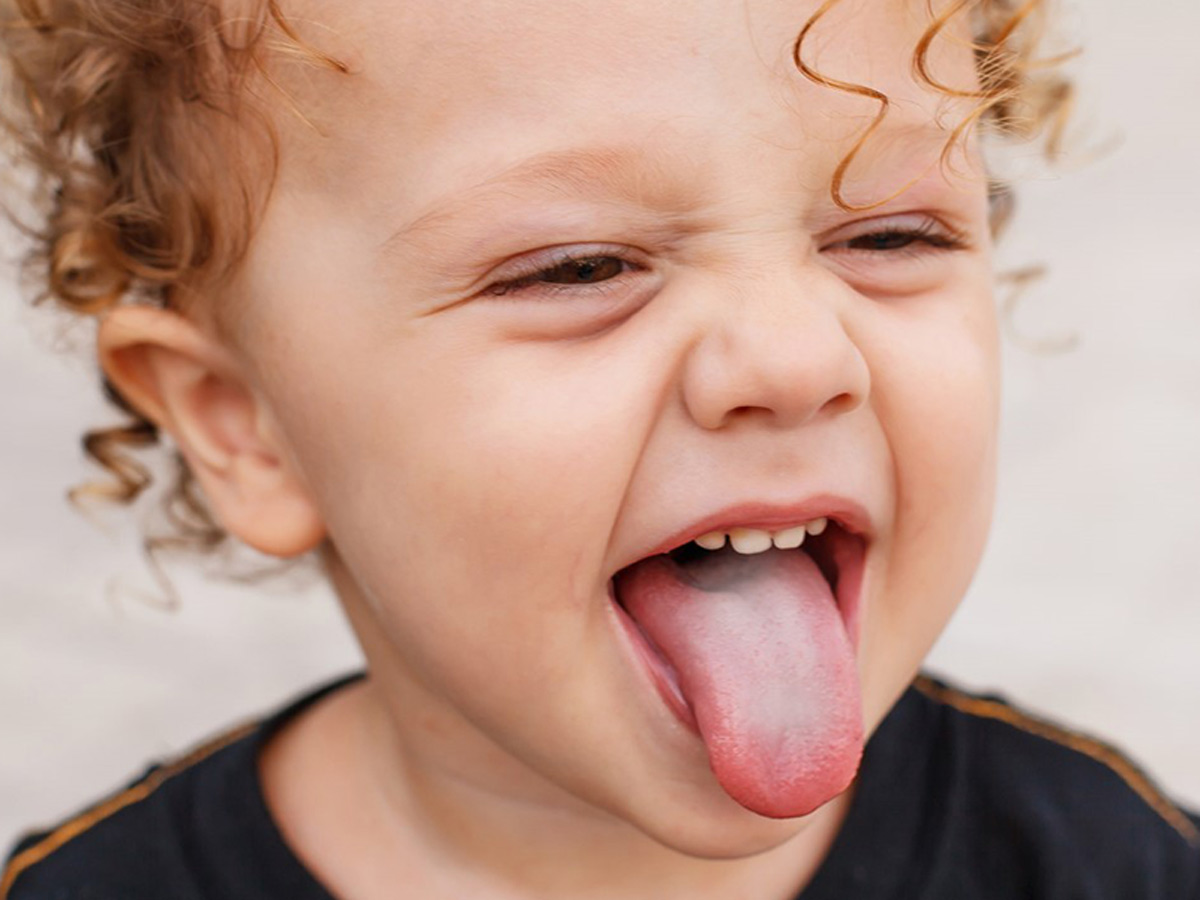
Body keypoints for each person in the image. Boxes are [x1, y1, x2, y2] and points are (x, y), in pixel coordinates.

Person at [1, 0, 1197, 897]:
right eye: (579, 268)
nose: (793, 357)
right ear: (241, 425)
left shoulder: (1102, 865)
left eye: (888, 234)